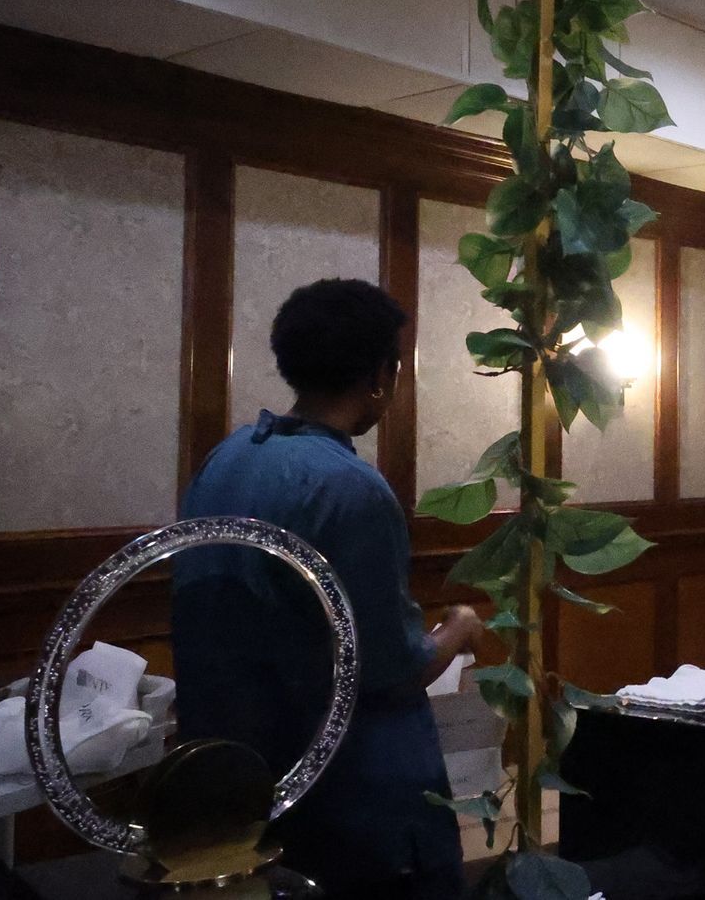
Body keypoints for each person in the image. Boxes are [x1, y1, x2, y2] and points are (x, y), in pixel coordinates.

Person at [171, 278, 487, 899]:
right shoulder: (351, 489)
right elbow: (387, 670)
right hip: (354, 791)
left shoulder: (228, 458)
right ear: (380, 377)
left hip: (243, 780)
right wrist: (458, 628)